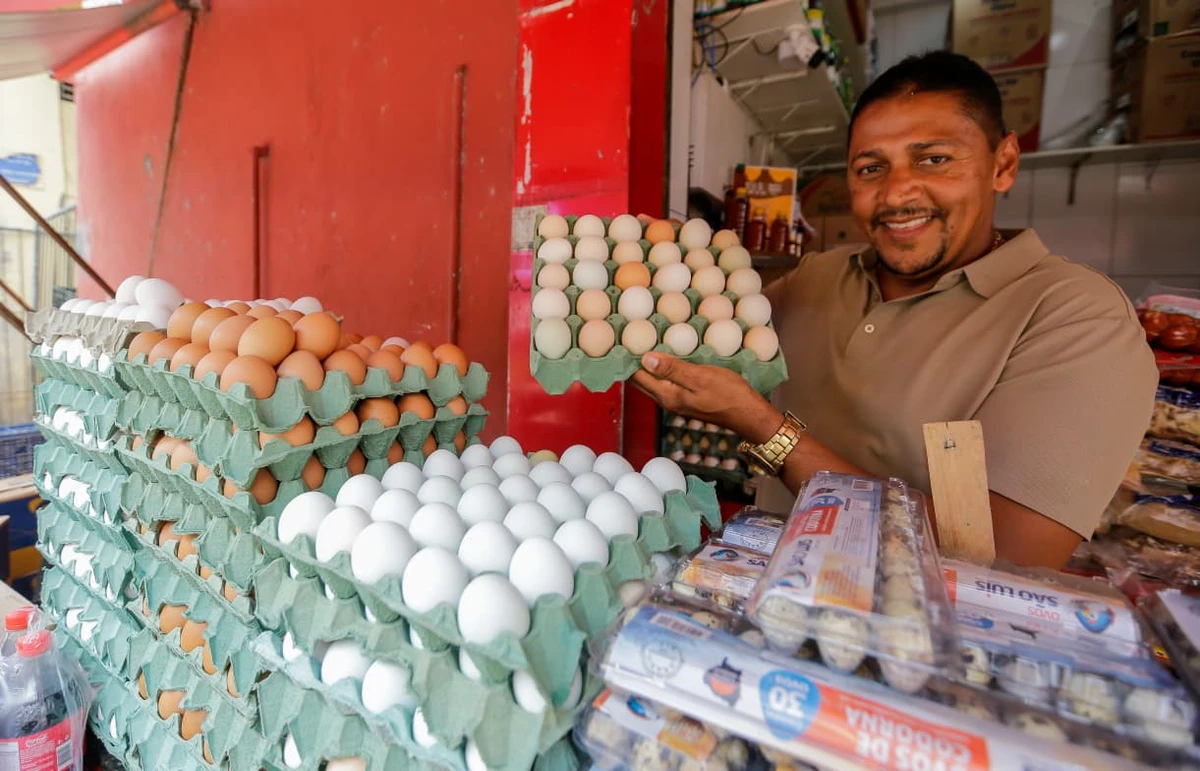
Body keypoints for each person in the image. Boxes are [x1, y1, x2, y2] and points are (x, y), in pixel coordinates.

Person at [633, 51, 1158, 568]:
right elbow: (705, 330)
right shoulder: (819, 278)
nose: (897, 192)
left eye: (934, 159)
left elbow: (1009, 556)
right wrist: (668, 269)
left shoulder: (1075, 317)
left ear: (1003, 164)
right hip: (764, 594)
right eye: (871, 168)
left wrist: (766, 430)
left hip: (920, 623)